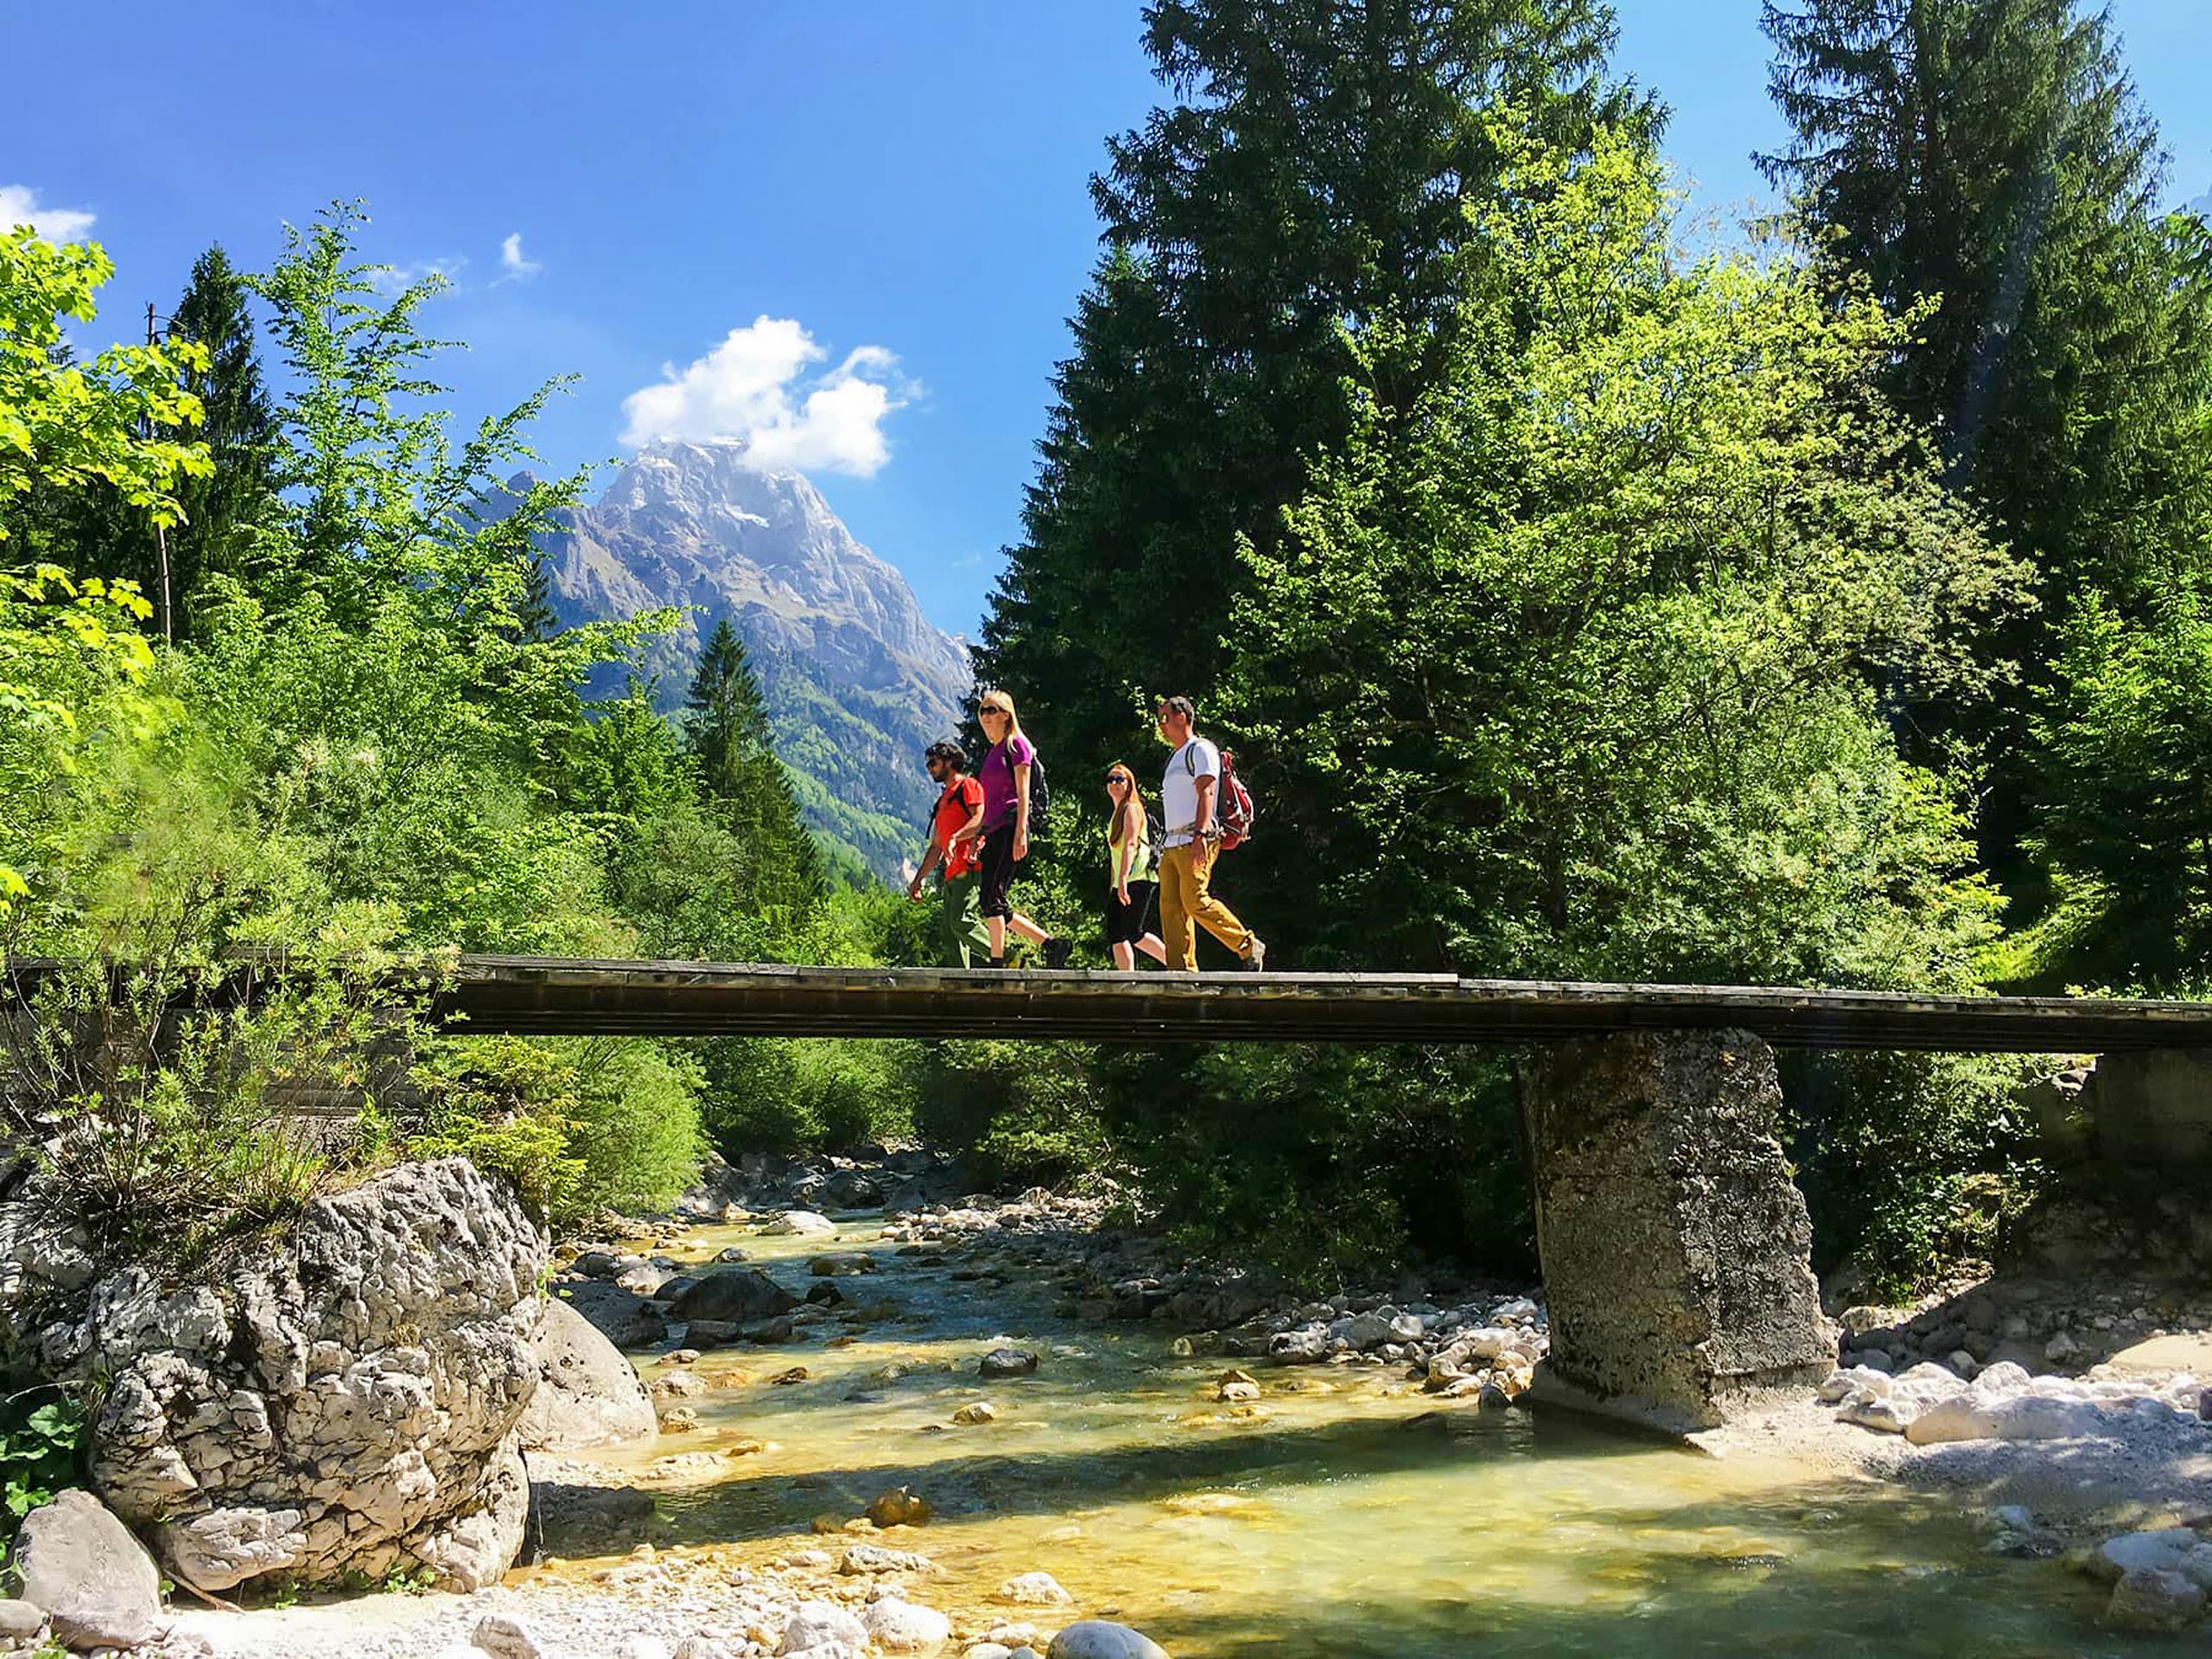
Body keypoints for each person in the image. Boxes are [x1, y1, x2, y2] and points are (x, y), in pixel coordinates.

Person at [953, 689, 1072, 969]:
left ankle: (997, 963)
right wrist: (977, 836)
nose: (984, 716)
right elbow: (989, 802)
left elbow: (1023, 792)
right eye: (982, 710)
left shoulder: (1016, 745)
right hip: (994, 830)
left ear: (1006, 715)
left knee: (990, 898)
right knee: (996, 902)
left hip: (1009, 826)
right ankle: (1053, 945)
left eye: (991, 710)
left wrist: (1021, 832)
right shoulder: (993, 752)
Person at [1154, 696, 1265, 972]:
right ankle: (1181, 972)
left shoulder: (1201, 749)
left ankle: (1248, 946)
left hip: (1197, 837)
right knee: (1171, 908)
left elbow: (1207, 790)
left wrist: (1201, 835)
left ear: (1183, 717)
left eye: (1165, 718)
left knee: (1195, 900)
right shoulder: (1174, 757)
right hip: (1172, 841)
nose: (1161, 725)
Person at [907, 740, 993, 968]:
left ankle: (1005, 956)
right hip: (951, 873)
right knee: (950, 933)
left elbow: (980, 818)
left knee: (961, 921)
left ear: (949, 762)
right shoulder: (943, 800)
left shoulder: (968, 786)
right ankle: (959, 981)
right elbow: (936, 846)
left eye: (933, 763)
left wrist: (956, 837)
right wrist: (917, 881)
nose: (929, 768)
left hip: (970, 866)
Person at [1103, 761, 1168, 971]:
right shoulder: (1116, 813)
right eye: (1110, 779)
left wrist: (1122, 880)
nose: (1114, 783)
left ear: (1129, 784)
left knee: (1133, 931)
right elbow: (1116, 852)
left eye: (1119, 779)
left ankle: (1179, 966)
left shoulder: (1131, 808)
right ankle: (1127, 977)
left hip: (1138, 878)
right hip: (1121, 880)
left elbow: (1131, 843)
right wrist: (1116, 882)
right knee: (1116, 933)